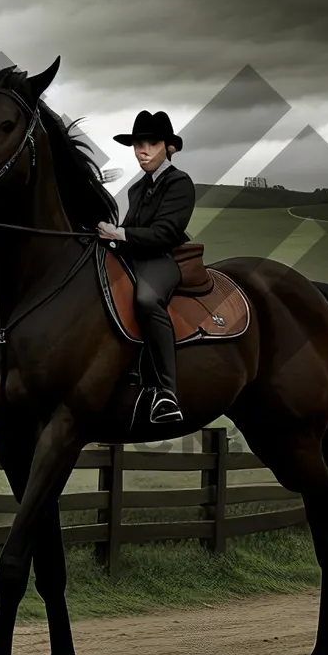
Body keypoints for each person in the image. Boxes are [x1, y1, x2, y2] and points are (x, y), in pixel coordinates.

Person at [97, 110, 196, 425]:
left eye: (151, 143)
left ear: (168, 148)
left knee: (145, 300)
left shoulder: (180, 183)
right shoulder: (136, 188)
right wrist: (106, 238)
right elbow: (129, 231)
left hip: (164, 259)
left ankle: (167, 392)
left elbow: (164, 233)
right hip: (137, 256)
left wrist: (120, 233)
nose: (142, 150)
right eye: (138, 144)